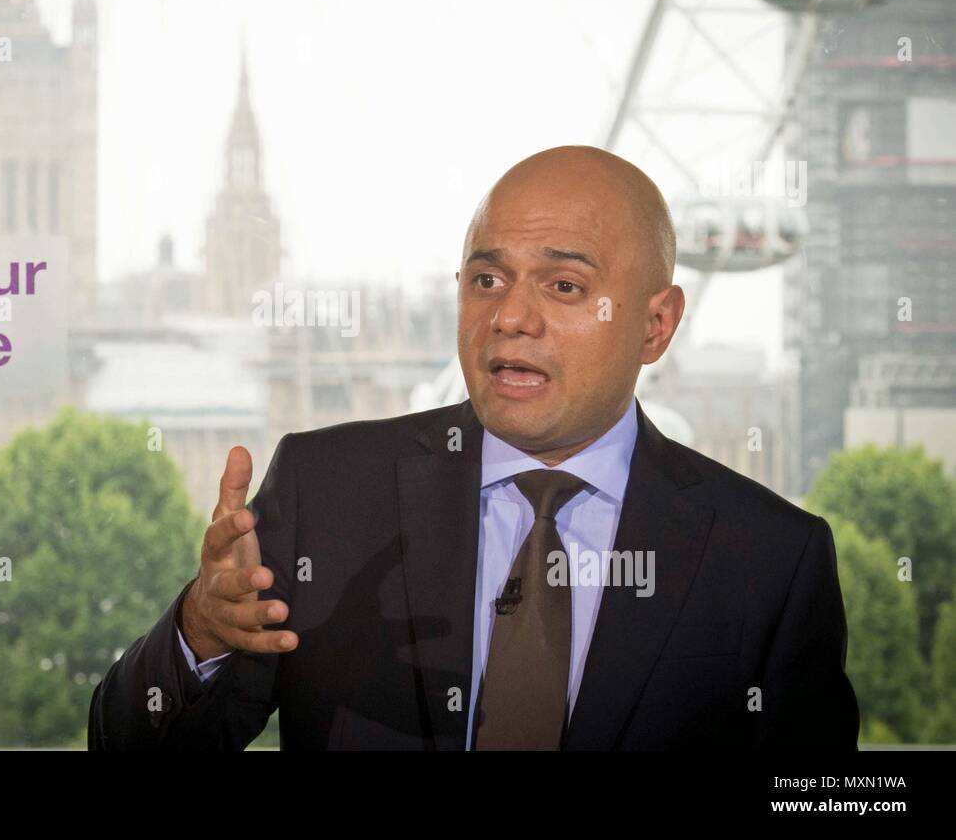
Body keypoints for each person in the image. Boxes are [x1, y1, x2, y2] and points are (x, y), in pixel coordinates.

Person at [87, 144, 859, 750]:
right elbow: (125, 745)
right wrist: (199, 634)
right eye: (487, 279)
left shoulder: (769, 560)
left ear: (656, 325)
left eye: (562, 286)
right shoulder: (327, 493)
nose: (510, 316)